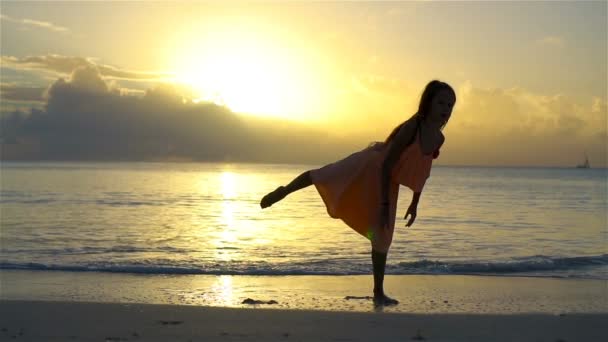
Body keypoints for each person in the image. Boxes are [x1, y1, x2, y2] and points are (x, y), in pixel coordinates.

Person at [260, 80, 456, 306]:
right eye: (441, 102)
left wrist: (415, 203)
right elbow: (386, 165)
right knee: (326, 175)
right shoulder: (413, 127)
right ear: (428, 103)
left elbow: (423, 171)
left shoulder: (439, 138)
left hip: (388, 182)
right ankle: (284, 191)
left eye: (450, 105)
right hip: (371, 166)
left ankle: (378, 292)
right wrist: (383, 205)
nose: (445, 109)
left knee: (382, 237)